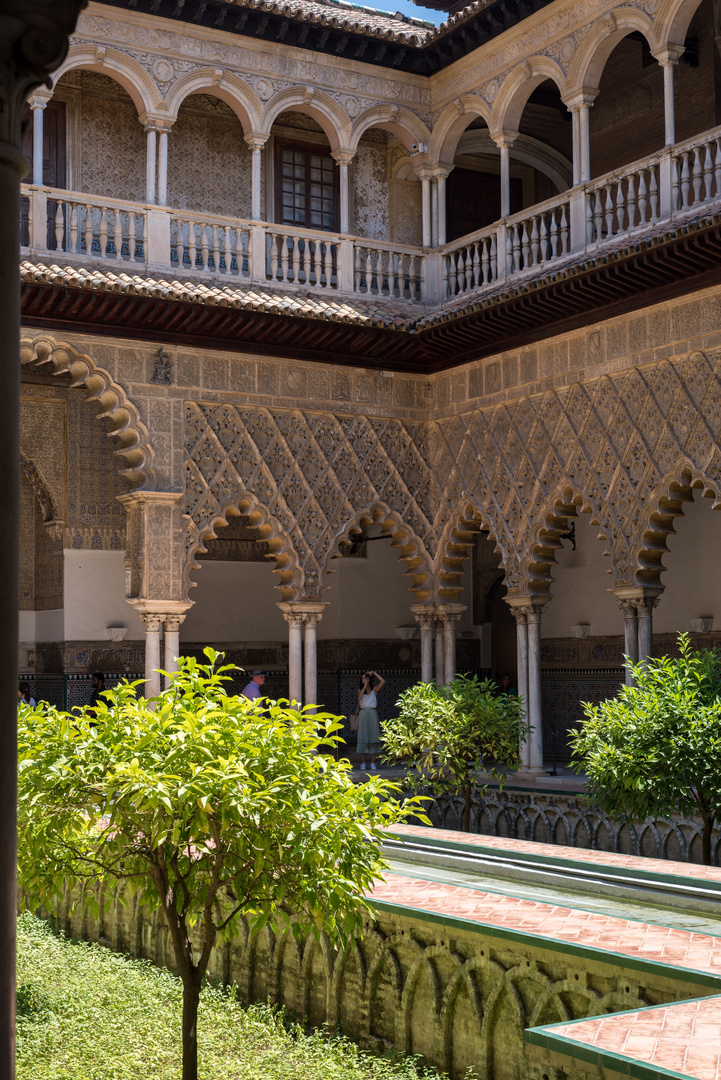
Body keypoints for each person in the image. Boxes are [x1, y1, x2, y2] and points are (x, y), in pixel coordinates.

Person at [356, 670, 385, 772]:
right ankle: (363, 763)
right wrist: (364, 686)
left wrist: (375, 673)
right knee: (362, 737)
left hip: (372, 713)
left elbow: (383, 681)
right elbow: (359, 699)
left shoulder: (374, 690)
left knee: (373, 736)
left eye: (366, 678)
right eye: (363, 678)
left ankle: (373, 762)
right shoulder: (360, 690)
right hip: (363, 713)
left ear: (369, 679)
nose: (364, 680)